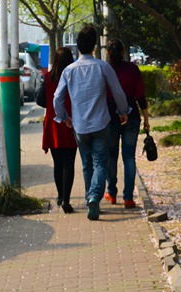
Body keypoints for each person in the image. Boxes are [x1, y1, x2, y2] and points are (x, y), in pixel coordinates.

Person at [53, 24, 129, 221]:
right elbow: (118, 92)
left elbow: (56, 98)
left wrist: (64, 118)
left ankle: (90, 200)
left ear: (78, 47)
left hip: (79, 126)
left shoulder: (69, 71)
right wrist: (123, 112)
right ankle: (94, 196)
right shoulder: (103, 67)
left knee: (87, 164)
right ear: (94, 46)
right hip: (101, 123)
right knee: (100, 162)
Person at [104, 37, 150, 209]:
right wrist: (146, 118)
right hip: (132, 117)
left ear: (107, 52)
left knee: (111, 155)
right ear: (123, 52)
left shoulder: (104, 69)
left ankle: (111, 192)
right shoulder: (132, 69)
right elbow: (140, 96)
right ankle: (128, 197)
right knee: (129, 156)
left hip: (109, 117)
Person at [41, 47, 78, 213]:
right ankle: (67, 201)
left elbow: (39, 99)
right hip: (71, 122)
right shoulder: (75, 78)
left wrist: (51, 105)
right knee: (69, 163)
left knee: (58, 163)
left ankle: (60, 196)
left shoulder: (47, 77)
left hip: (53, 123)